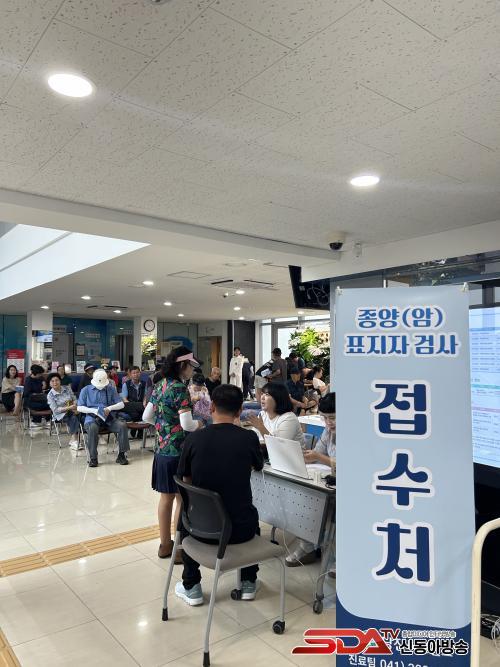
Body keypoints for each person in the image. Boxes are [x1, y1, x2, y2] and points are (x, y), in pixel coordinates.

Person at [175, 384, 264, 605]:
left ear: (212, 407)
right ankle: (248, 582)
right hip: (241, 530)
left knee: (185, 516)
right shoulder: (248, 438)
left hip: (200, 530)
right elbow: (258, 466)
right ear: (240, 410)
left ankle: (192, 586)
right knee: (251, 515)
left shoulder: (193, 439)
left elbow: (185, 480)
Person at [142, 346, 202, 562]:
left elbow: (146, 416)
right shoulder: (180, 389)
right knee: (181, 499)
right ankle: (178, 548)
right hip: (179, 453)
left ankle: (164, 544)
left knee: (165, 498)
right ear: (182, 365)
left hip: (161, 451)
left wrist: (163, 428)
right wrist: (201, 423)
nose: (193, 371)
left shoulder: (160, 385)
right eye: (191, 366)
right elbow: (187, 424)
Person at [286, 393, 337, 568]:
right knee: (299, 500)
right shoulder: (328, 431)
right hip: (326, 482)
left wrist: (318, 457)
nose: (328, 423)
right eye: (325, 418)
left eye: (332, 418)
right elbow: (317, 453)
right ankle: (307, 546)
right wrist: (301, 457)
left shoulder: (354, 434)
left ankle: (336, 555)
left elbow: (348, 465)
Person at [77, 368, 130, 467]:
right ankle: (93, 458)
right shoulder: (86, 390)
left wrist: (109, 408)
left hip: (108, 418)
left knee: (122, 426)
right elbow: (79, 407)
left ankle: (121, 455)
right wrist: (94, 411)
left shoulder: (110, 389)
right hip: (92, 418)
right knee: (92, 428)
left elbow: (121, 404)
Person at [247, 382, 305, 448]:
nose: (262, 397)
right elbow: (254, 437)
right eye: (262, 393)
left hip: (291, 454)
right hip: (267, 452)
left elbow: (278, 446)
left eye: (267, 394)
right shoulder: (263, 414)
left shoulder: (289, 418)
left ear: (278, 398)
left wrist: (260, 426)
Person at [46, 373, 80, 450]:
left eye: (57, 380)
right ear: (49, 383)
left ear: (60, 381)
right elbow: (55, 410)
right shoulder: (50, 395)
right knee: (73, 416)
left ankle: (77, 438)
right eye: (52, 381)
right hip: (61, 414)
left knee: (82, 415)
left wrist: (75, 404)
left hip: (73, 409)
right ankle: (74, 439)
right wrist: (69, 408)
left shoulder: (67, 388)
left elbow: (74, 398)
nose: (55, 382)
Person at [121, 365, 150, 437]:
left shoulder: (144, 383)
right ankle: (140, 430)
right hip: (129, 404)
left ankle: (134, 429)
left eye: (137, 372)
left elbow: (145, 395)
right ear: (130, 374)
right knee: (141, 410)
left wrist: (144, 401)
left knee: (140, 411)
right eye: (134, 373)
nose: (136, 374)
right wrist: (132, 406)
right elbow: (124, 398)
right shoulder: (126, 384)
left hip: (140, 404)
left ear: (140, 373)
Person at [24, 364, 49, 429]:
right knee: (38, 405)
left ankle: (48, 420)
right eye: (40, 374)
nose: (41, 375)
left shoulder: (39, 379)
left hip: (39, 398)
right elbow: (26, 393)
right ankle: (35, 421)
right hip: (30, 399)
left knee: (49, 403)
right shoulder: (28, 380)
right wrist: (34, 394)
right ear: (36, 373)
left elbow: (41, 389)